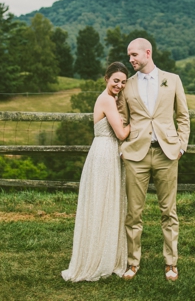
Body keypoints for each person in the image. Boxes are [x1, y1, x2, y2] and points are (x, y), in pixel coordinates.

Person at [119, 38, 190, 282]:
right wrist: (123, 148)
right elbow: (122, 120)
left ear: (147, 53)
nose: (131, 59)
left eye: (134, 54)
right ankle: (132, 262)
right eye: (129, 55)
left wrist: (181, 146)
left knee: (169, 211)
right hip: (136, 155)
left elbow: (183, 116)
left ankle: (171, 263)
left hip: (167, 154)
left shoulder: (173, 79)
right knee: (133, 213)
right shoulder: (126, 85)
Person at [62, 62, 131, 282]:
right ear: (106, 79)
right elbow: (120, 134)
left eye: (123, 82)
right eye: (115, 80)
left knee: (107, 203)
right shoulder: (107, 99)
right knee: (102, 203)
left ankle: (106, 255)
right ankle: (97, 258)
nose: (119, 85)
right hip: (105, 152)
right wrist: (140, 122)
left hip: (107, 152)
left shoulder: (112, 98)